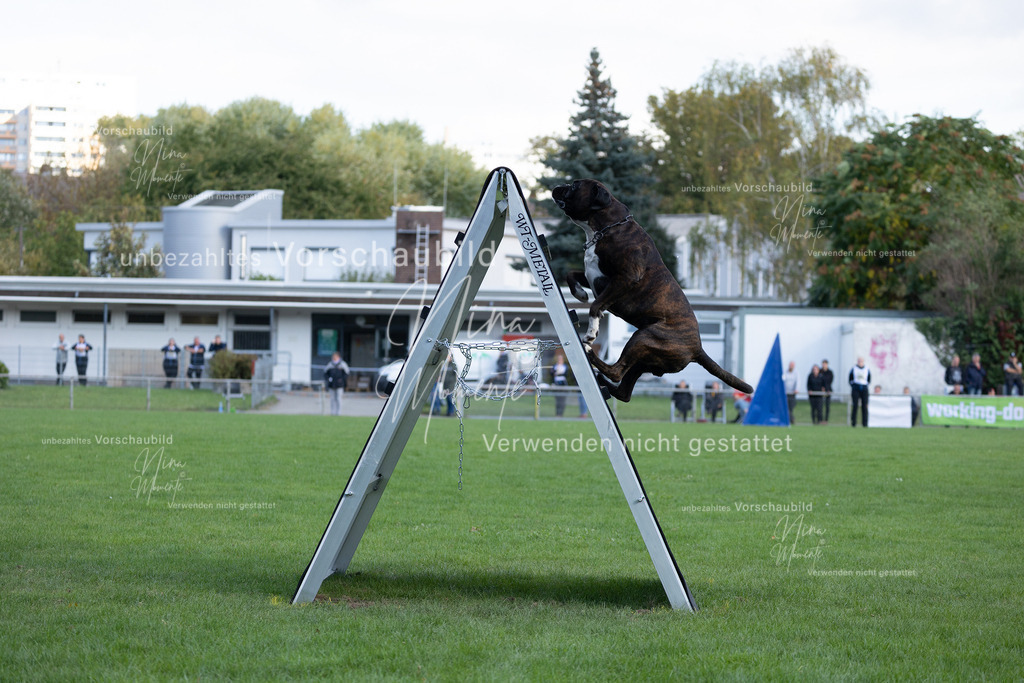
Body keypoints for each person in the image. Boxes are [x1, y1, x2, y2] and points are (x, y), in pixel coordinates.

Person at [324, 352, 350, 416]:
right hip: (331, 385)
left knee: (338, 399)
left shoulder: (342, 364)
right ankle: (332, 412)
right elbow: (325, 373)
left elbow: (346, 374)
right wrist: (329, 379)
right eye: (333, 356)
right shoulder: (330, 364)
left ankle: (338, 413)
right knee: (332, 399)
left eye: (335, 356)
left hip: (339, 385)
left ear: (338, 357)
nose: (334, 358)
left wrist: (342, 380)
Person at [849, 357, 870, 427]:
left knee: (865, 406)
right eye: (859, 361)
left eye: (861, 361)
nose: (860, 362)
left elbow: (869, 380)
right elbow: (850, 379)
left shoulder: (867, 369)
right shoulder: (854, 369)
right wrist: (854, 386)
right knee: (855, 406)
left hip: (864, 389)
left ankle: (865, 423)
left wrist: (865, 386)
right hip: (856, 388)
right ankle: (853, 423)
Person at [551, 350, 568, 417]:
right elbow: (552, 373)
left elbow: (565, 374)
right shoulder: (555, 366)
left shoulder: (565, 366)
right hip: (556, 384)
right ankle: (557, 413)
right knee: (557, 400)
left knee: (562, 400)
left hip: (563, 384)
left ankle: (561, 413)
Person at [784, 361, 797, 425]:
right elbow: (783, 381)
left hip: (792, 393)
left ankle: (791, 419)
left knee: (790, 407)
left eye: (792, 365)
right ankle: (790, 419)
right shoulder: (785, 372)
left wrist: (796, 389)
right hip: (786, 393)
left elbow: (798, 381)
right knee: (786, 407)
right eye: (790, 365)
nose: (791, 366)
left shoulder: (796, 373)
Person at [820, 359, 834, 424]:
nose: (824, 365)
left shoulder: (830, 372)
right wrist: (821, 387)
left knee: (827, 406)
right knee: (820, 406)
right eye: (823, 364)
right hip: (820, 391)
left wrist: (826, 388)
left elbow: (829, 381)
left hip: (828, 390)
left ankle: (826, 420)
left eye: (825, 364)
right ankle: (820, 419)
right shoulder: (820, 371)